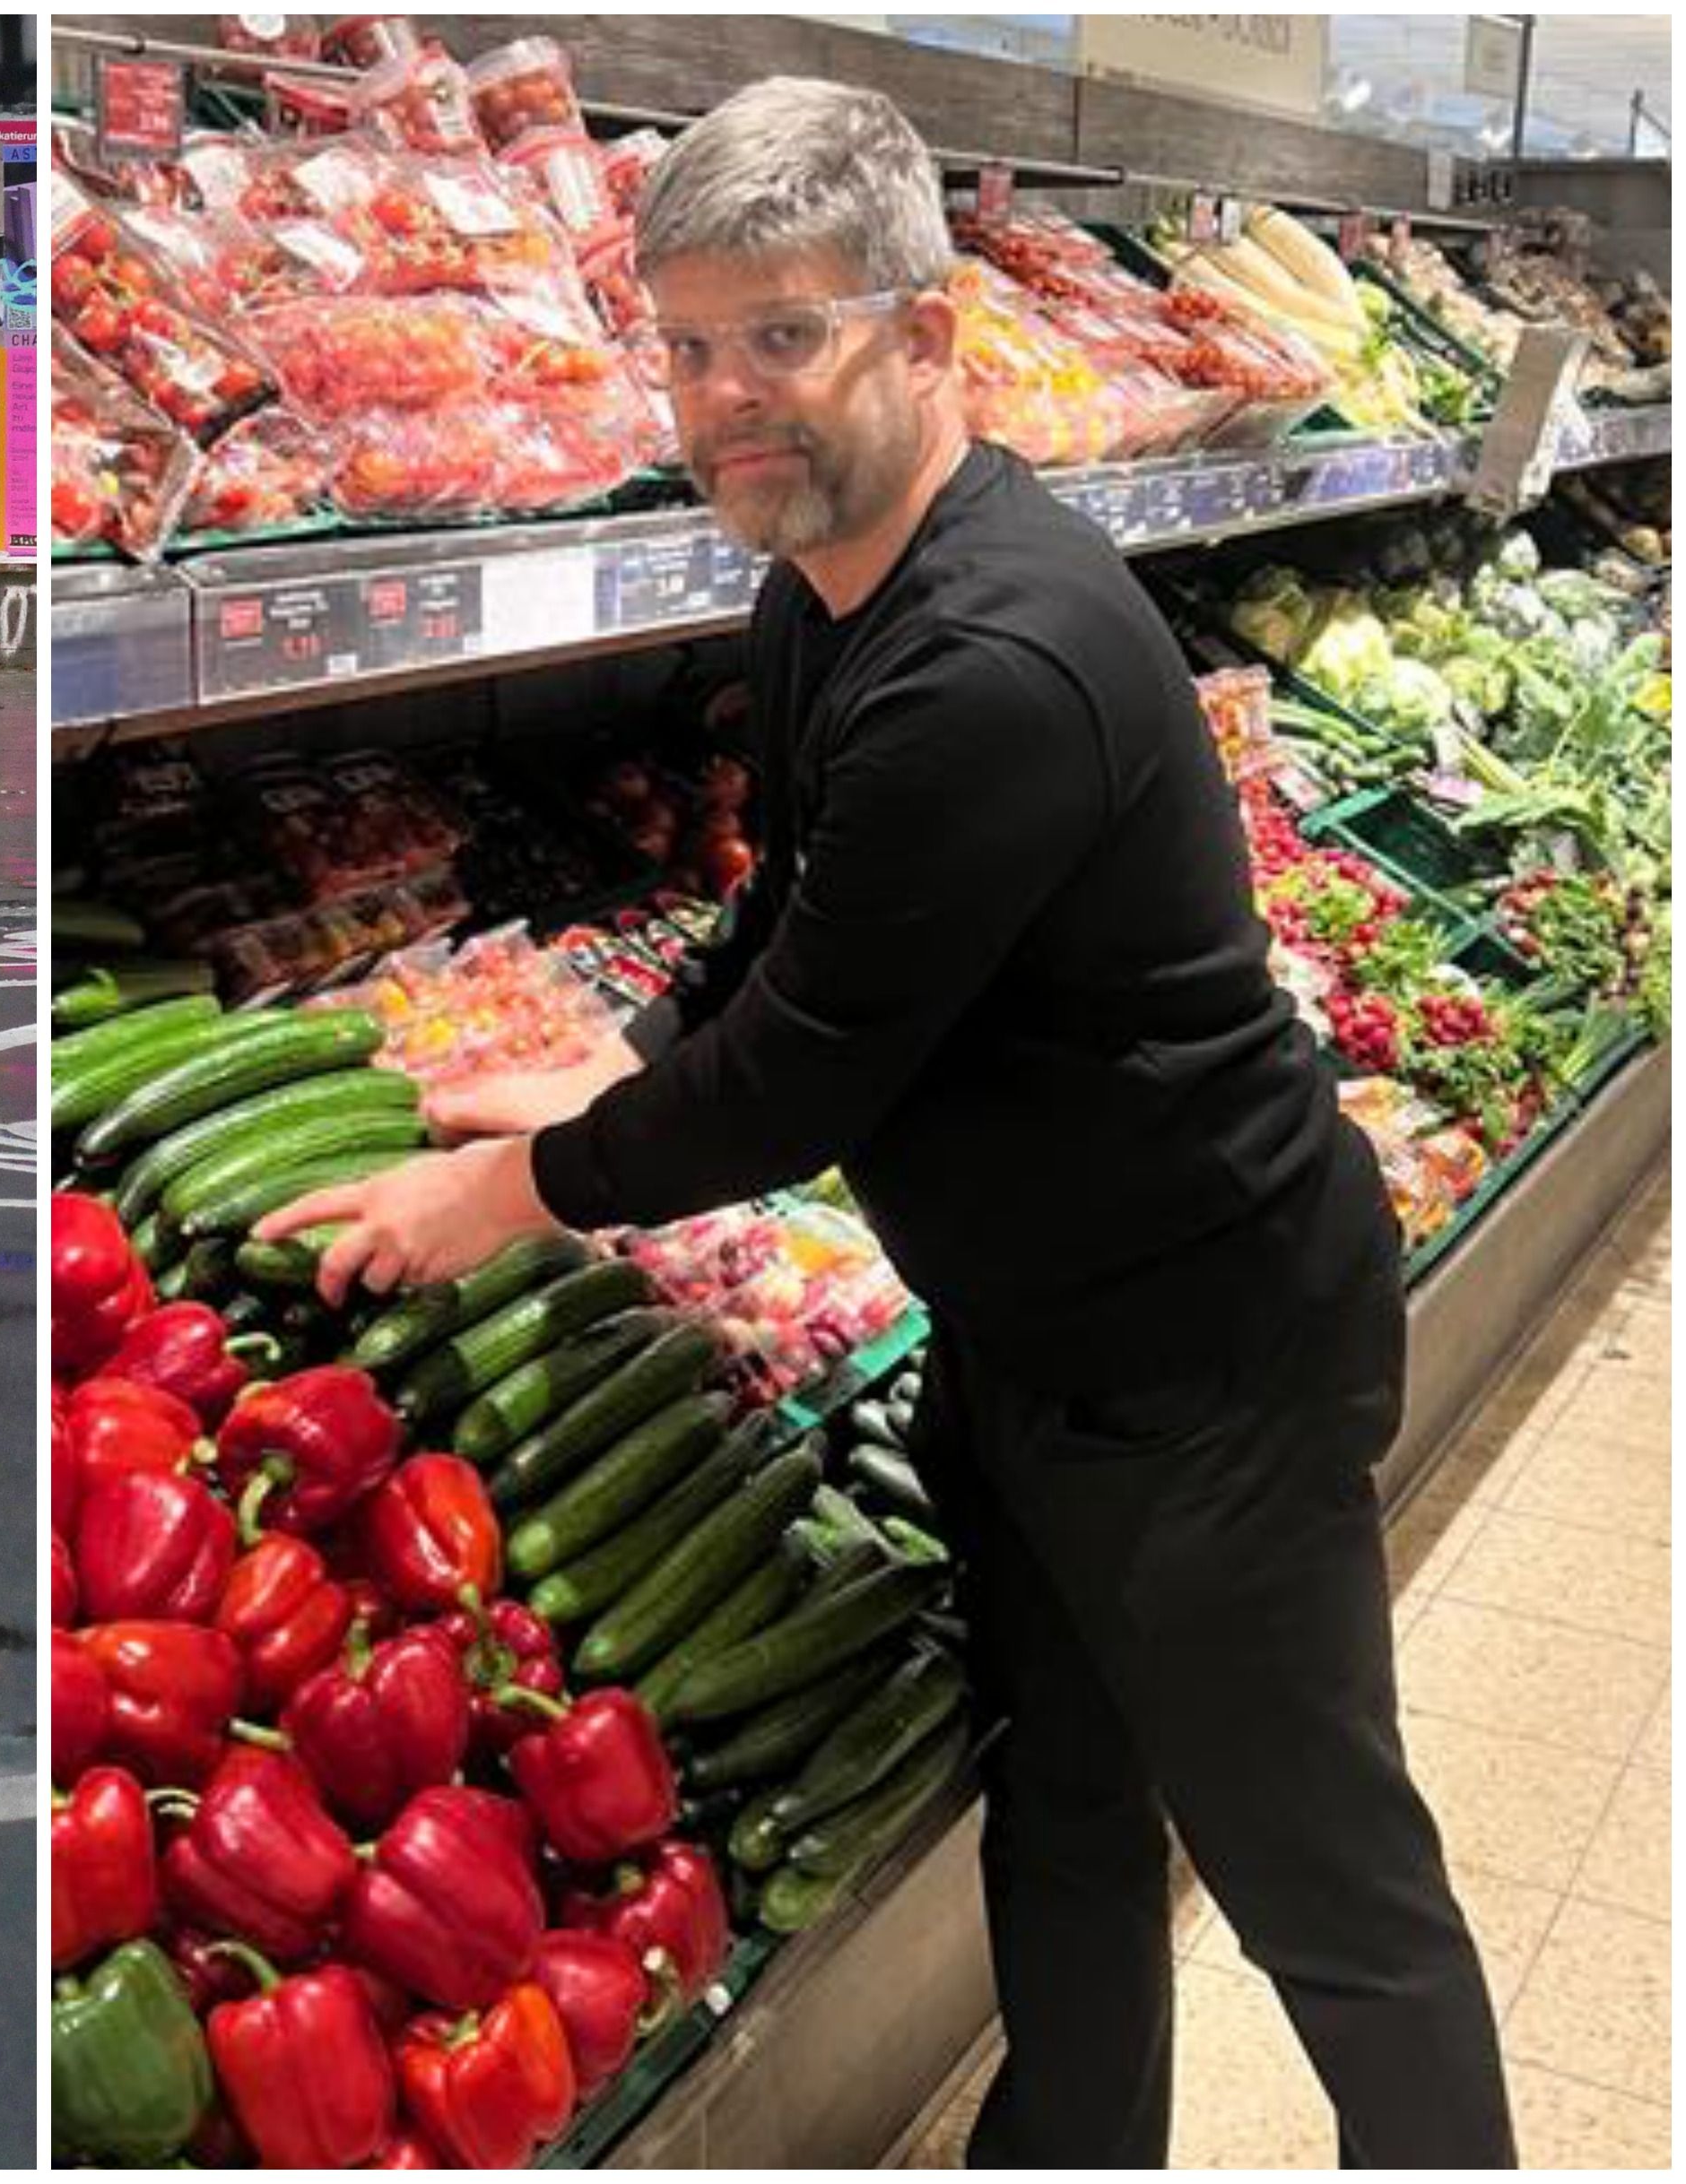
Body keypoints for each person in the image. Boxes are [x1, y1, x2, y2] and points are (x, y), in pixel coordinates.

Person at [258, 79, 1514, 2170]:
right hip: (1029, 1334)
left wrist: (519, 1185)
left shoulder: (992, 658)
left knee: (1324, 1886)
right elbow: (779, 928)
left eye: (783, 334)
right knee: (1066, 1802)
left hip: (1205, 1366)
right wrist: (619, 1049)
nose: (724, 395)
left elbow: (813, 1072)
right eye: (684, 343)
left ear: (925, 335)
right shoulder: (824, 584)